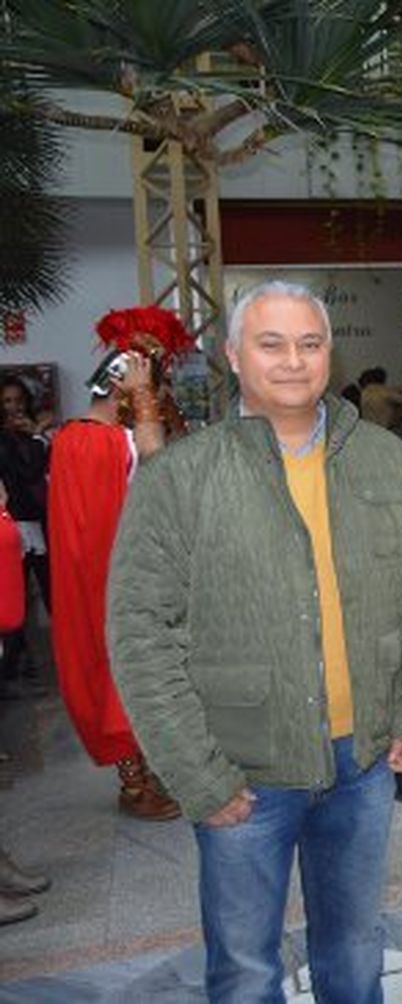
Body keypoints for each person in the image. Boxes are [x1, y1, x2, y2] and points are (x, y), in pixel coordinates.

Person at [107, 280, 402, 1002]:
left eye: (309, 342)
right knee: (244, 967)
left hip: (362, 764)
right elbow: (141, 631)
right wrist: (195, 774)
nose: (293, 360)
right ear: (235, 356)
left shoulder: (382, 460)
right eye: (271, 344)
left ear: (330, 352)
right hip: (242, 772)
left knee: (356, 951)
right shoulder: (183, 476)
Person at [48, 314, 181, 820]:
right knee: (117, 677)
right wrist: (147, 399)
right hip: (112, 583)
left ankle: (148, 775)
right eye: (150, 382)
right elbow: (158, 463)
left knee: (130, 676)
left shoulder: (75, 437)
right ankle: (134, 787)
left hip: (116, 578)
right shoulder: (98, 441)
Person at [0, 375, 50, 701]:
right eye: (7, 402)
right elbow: (27, 471)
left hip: (37, 522)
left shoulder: (29, 437)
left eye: (18, 401)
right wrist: (36, 438)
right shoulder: (5, 441)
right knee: (14, 597)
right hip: (13, 525)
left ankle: (34, 658)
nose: (14, 407)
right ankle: (12, 667)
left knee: (49, 591)